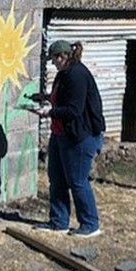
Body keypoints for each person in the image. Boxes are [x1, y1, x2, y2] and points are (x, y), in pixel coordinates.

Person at [30, 40, 106, 238]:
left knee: (77, 181)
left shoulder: (77, 74)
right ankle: (58, 222)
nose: (52, 64)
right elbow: (62, 97)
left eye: (54, 60)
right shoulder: (64, 74)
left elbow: (74, 109)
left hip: (81, 136)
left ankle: (90, 224)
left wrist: (50, 112)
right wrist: (44, 98)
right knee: (57, 178)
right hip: (61, 134)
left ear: (62, 57)